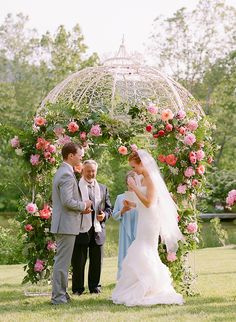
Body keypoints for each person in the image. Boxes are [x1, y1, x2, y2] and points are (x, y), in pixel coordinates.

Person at [112, 150, 184, 306]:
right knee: (140, 249)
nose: (133, 170)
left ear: (142, 163)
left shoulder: (150, 178)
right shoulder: (143, 178)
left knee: (144, 249)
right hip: (144, 219)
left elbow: (150, 203)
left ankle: (151, 285)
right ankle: (142, 285)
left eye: (134, 166)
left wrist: (134, 187)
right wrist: (131, 204)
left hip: (151, 222)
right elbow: (143, 204)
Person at [50, 142, 92, 305]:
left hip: (65, 223)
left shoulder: (64, 171)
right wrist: (84, 205)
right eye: (80, 154)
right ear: (71, 156)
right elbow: (67, 201)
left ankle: (62, 294)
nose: (82, 156)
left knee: (63, 262)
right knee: (62, 262)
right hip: (66, 225)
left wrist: (81, 209)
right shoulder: (66, 174)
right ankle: (58, 297)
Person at [71, 160, 112, 295]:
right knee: (78, 262)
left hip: (97, 230)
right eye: (88, 170)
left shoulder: (103, 188)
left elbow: (108, 208)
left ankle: (95, 287)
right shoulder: (75, 187)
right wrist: (80, 210)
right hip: (80, 229)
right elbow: (69, 206)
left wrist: (104, 216)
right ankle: (77, 289)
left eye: (93, 171)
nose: (91, 173)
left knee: (97, 261)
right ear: (82, 171)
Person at [112, 171, 139, 279]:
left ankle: (138, 277)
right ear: (127, 183)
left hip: (139, 228)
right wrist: (122, 211)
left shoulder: (141, 197)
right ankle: (124, 278)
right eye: (130, 181)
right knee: (125, 253)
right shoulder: (120, 197)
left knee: (138, 252)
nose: (132, 184)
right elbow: (114, 215)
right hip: (125, 229)